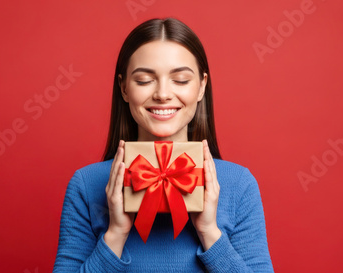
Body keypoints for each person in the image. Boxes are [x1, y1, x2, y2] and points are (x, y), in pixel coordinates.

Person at [53, 17, 274, 272]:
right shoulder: (86, 185)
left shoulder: (239, 185)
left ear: (201, 86)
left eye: (180, 80)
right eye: (144, 80)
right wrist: (115, 234)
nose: (162, 94)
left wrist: (210, 234)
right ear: (124, 87)